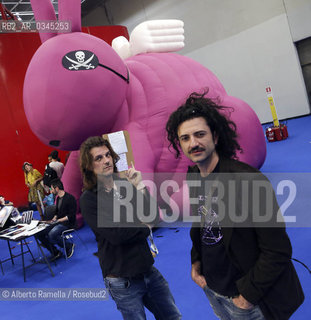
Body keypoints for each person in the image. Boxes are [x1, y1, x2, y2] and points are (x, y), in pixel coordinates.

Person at [165, 91, 304, 320]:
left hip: (247, 298)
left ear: (216, 137)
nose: (194, 143)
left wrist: (247, 297)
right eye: (185, 138)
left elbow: (277, 250)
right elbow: (202, 222)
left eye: (200, 134)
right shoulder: (194, 176)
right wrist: (196, 259)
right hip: (213, 290)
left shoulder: (248, 180)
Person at [79, 136, 181, 320]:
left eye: (108, 155)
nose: (106, 161)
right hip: (121, 279)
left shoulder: (124, 185)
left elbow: (151, 215)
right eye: (99, 158)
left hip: (147, 269)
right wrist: (143, 227)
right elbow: (116, 235)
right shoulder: (89, 199)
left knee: (173, 317)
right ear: (89, 166)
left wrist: (139, 186)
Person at [36, 179, 76, 260]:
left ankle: (68, 246)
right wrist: (54, 219)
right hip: (58, 222)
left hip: (68, 223)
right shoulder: (58, 199)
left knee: (52, 234)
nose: (51, 190)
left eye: (52, 188)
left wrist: (58, 220)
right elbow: (57, 212)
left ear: (57, 188)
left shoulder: (70, 198)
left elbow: (71, 216)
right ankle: (55, 251)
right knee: (39, 233)